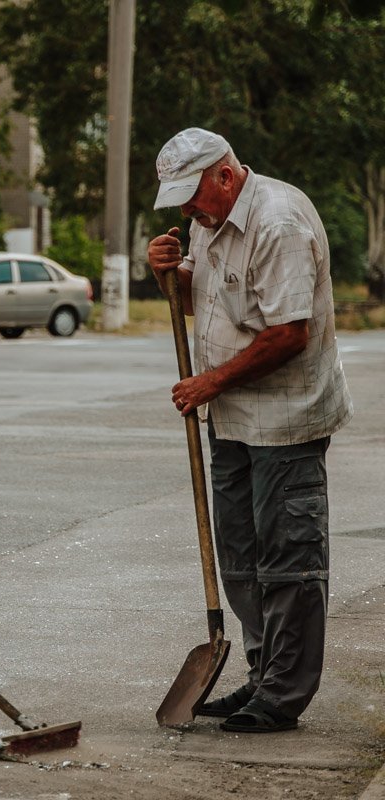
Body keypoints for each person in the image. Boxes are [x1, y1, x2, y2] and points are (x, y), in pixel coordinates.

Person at [147, 127, 353, 733]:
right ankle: (262, 675)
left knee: (287, 556)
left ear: (226, 176)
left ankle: (282, 696)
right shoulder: (210, 226)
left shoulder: (279, 222)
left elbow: (289, 333)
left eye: (192, 194)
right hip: (234, 420)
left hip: (286, 420)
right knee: (240, 552)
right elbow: (202, 300)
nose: (186, 210)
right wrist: (165, 273)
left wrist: (210, 382)